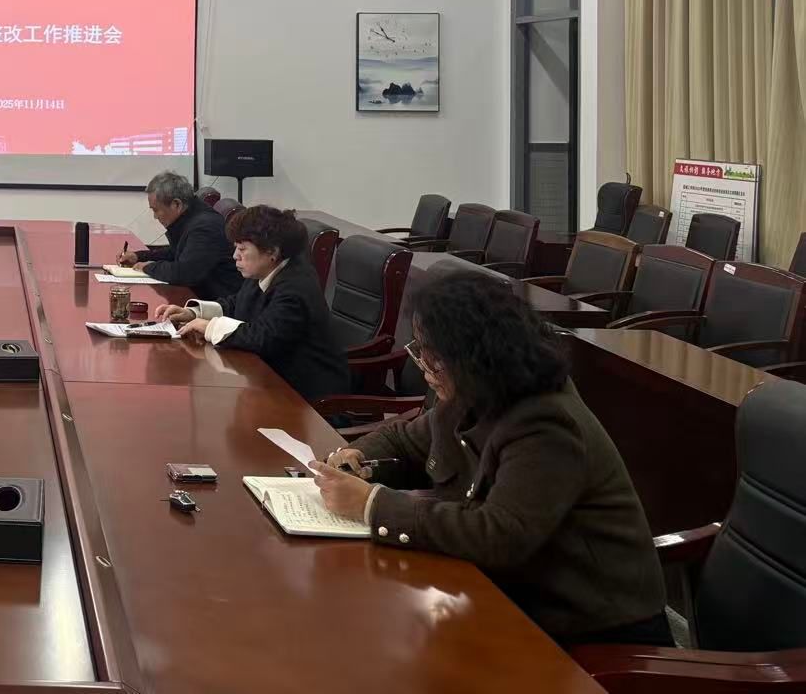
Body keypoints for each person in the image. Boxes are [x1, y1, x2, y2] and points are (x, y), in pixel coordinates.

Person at [307, 270, 668, 648]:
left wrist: (373, 505)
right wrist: (358, 456)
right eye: (421, 348)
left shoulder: (546, 423)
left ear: (475, 356)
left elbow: (500, 535)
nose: (423, 366)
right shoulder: (474, 392)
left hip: (587, 628)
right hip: (508, 593)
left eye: (434, 355)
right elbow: (404, 439)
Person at [152, 205, 349, 403]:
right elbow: (238, 303)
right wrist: (195, 313)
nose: (235, 256)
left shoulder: (295, 286)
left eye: (242, 249)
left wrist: (210, 327)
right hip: (271, 379)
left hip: (308, 397)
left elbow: (264, 337)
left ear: (272, 251)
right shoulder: (266, 269)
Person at [116, 171, 241, 296]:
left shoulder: (205, 227)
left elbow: (185, 273)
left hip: (217, 300)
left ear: (176, 204)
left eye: (156, 210)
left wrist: (148, 267)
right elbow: (176, 252)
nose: (155, 217)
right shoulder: (191, 215)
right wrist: (139, 257)